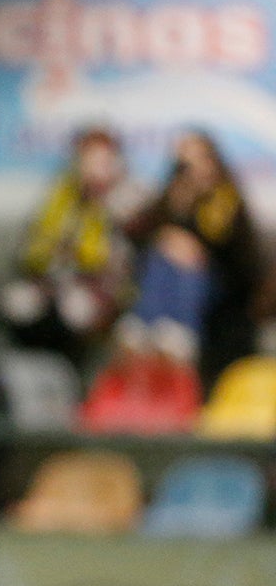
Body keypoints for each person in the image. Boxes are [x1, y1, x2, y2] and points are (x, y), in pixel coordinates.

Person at [122, 129, 262, 390]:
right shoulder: (172, 197)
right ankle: (145, 327)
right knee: (160, 259)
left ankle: (178, 332)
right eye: (185, 164)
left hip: (221, 287)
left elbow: (242, 263)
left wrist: (197, 250)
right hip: (168, 284)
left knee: (186, 267)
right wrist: (169, 232)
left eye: (201, 159)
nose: (195, 169)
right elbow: (139, 233)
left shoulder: (228, 201)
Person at [0, 126, 135, 366]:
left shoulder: (125, 196)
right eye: (87, 158)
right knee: (17, 303)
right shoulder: (62, 194)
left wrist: (99, 198)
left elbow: (117, 257)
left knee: (76, 310)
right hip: (48, 280)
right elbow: (31, 245)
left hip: (98, 286)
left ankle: (72, 378)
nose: (92, 166)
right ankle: (32, 374)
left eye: (101, 159)